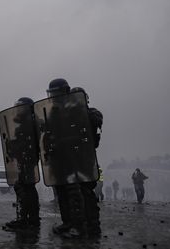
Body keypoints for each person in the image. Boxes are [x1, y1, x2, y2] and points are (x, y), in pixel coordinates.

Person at [42, 79, 89, 239]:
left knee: (73, 193)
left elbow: (81, 133)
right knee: (61, 192)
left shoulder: (74, 109)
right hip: (58, 159)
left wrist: (61, 141)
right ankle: (67, 222)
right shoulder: (55, 111)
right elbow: (49, 133)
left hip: (72, 158)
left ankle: (78, 226)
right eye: (51, 94)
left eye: (55, 93)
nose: (53, 97)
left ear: (64, 92)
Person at [1, 97, 40, 231]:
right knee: (28, 188)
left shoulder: (30, 125)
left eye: (20, 108)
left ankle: (24, 221)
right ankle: (32, 220)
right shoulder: (28, 124)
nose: (17, 111)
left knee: (24, 188)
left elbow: (27, 145)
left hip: (27, 162)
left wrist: (13, 146)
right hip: (26, 161)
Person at [71, 86, 103, 237]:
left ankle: (92, 226)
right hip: (75, 160)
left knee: (86, 193)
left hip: (86, 160)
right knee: (78, 194)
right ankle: (82, 225)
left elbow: (96, 118)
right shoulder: (70, 116)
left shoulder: (91, 114)